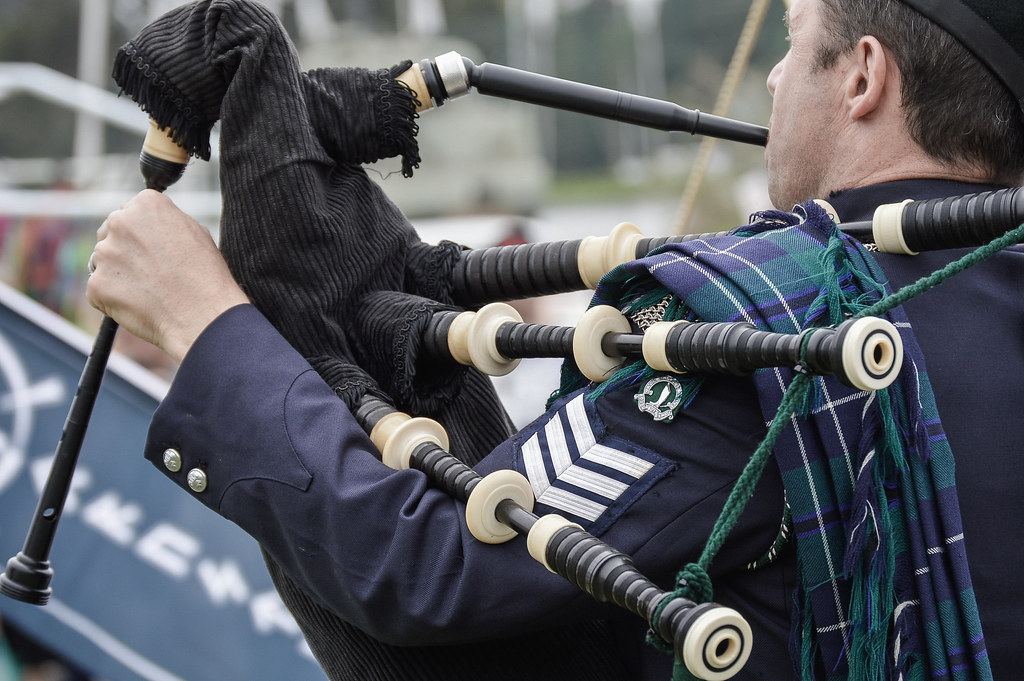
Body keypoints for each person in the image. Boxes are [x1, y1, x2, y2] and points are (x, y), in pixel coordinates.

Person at [86, 0, 1024, 679]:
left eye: (790, 39)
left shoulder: (775, 319)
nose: (774, 77)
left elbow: (429, 563)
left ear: (862, 76)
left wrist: (206, 322)